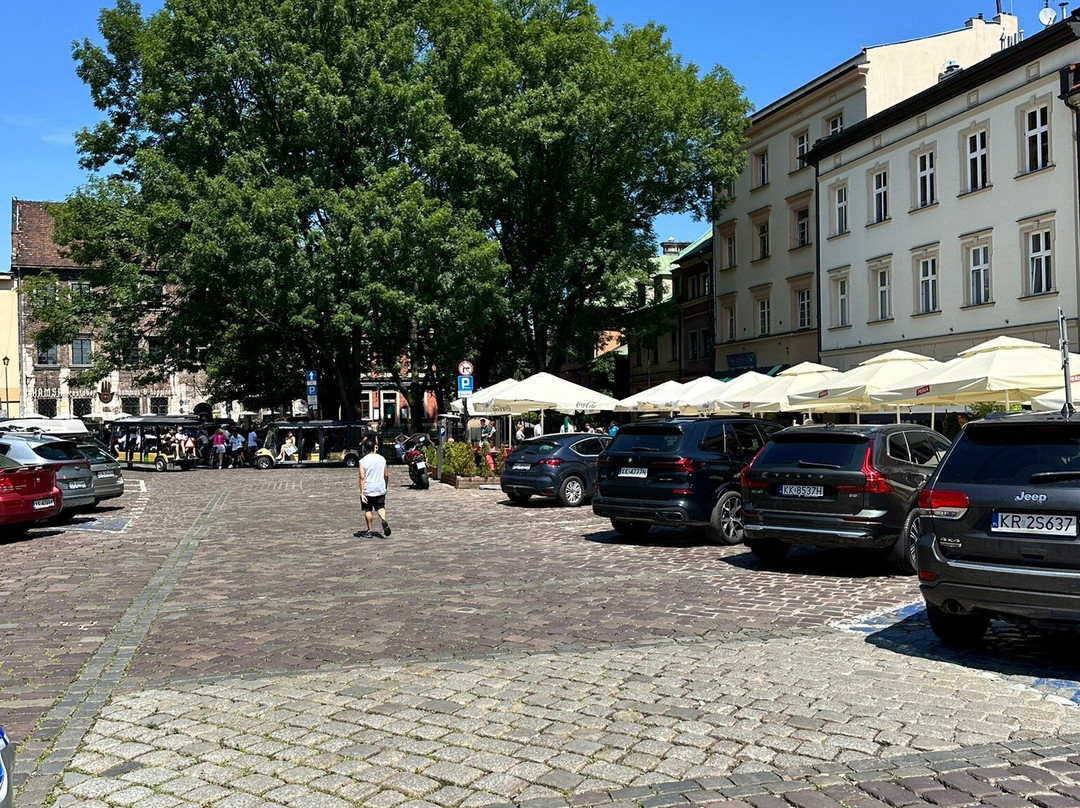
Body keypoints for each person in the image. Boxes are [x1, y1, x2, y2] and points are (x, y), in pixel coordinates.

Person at [358, 439, 391, 538]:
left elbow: (362, 477)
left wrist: (362, 492)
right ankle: (383, 519)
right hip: (379, 488)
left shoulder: (362, 461)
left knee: (368, 510)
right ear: (374, 448)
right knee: (380, 507)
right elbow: (386, 475)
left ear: (365, 449)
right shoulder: (382, 459)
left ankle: (369, 530)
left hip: (368, 489)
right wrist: (385, 485)